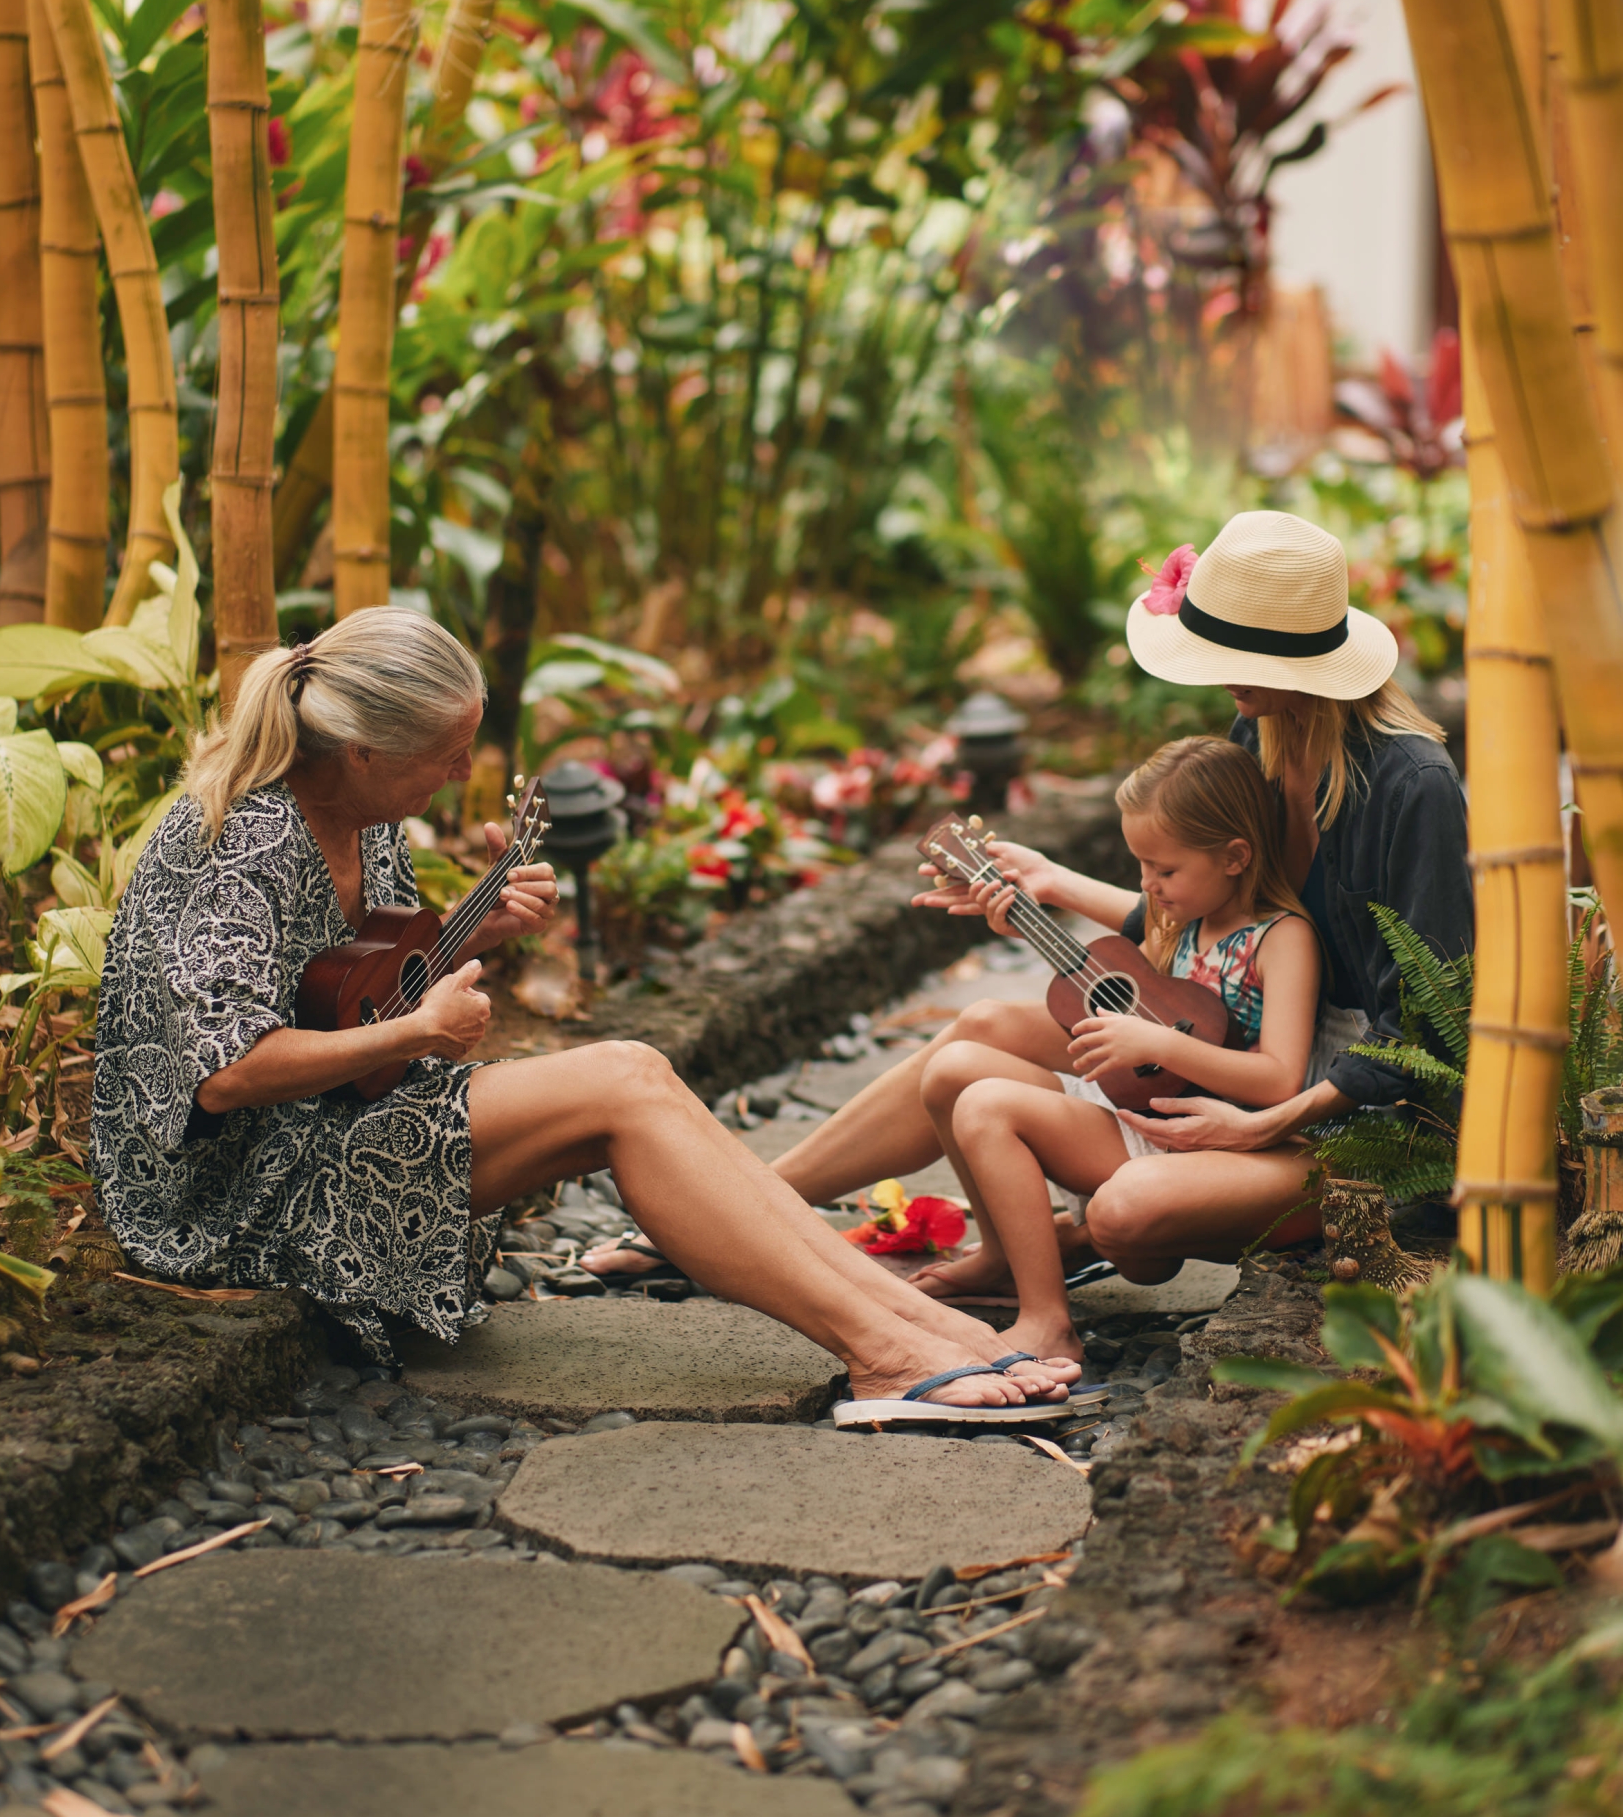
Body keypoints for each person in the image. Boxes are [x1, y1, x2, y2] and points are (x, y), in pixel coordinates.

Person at [90, 611, 1072, 1415]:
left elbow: (349, 977)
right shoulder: (244, 844)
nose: (457, 775)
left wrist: (472, 937)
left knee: (636, 1072)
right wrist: (414, 1033)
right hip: (232, 1192)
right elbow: (227, 1072)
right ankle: (884, 1349)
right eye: (446, 756)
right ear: (359, 751)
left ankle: (913, 1329)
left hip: (330, 1125)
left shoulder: (356, 812)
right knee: (622, 1080)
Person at [766, 509, 1474, 1290]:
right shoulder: (1264, 736)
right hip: (1246, 1048)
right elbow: (1226, 929)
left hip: (1354, 1120)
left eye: (1232, 654)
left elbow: (1429, 1029)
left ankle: (1073, 1235)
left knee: (1125, 1216)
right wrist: (1052, 885)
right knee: (982, 1025)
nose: (1214, 673)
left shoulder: (1415, 789)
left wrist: (1257, 1126)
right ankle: (759, 1204)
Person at [928, 736, 1319, 1373]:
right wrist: (1021, 915)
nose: (1147, 887)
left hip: (1199, 1139)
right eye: (1139, 867)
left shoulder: (1283, 939)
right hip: (1134, 1108)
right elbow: (1117, 990)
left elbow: (1280, 1080)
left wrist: (1162, 1044)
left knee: (988, 1109)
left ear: (1234, 857)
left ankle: (1048, 1323)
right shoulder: (1178, 920)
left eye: (1163, 870)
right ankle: (1006, 1259)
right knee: (952, 1071)